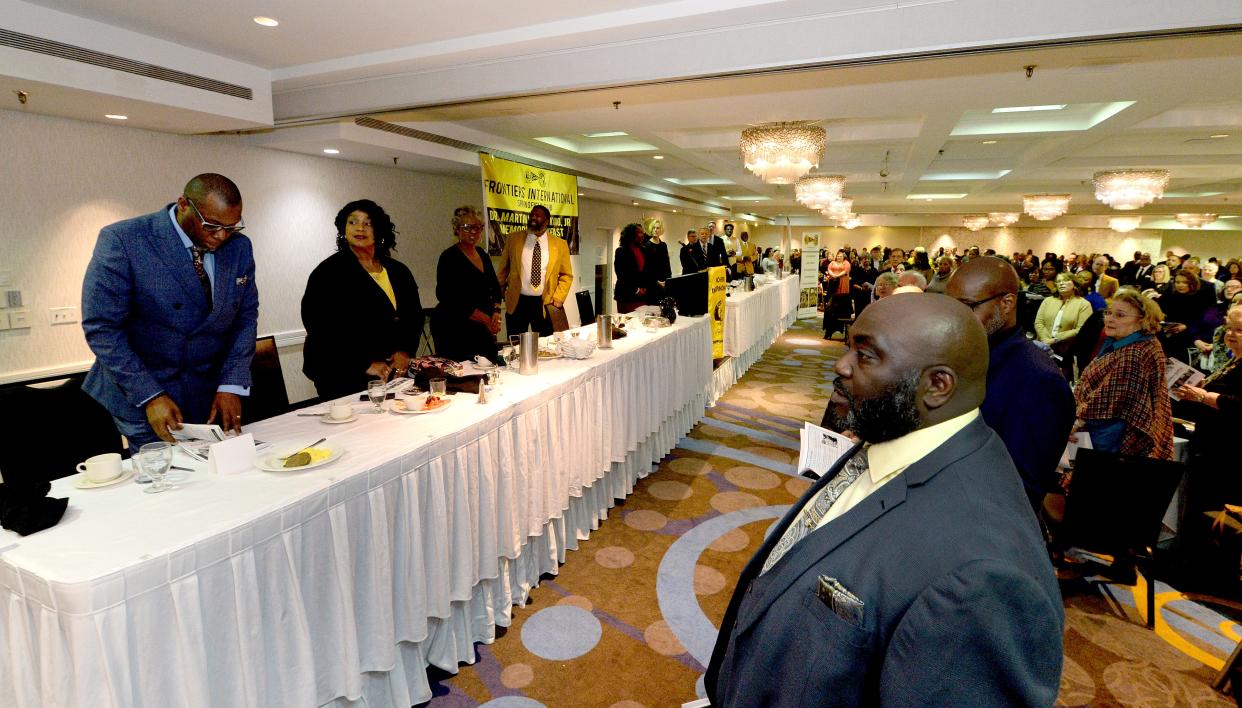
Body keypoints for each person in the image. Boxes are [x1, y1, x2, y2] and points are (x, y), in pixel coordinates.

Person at [707, 293, 1063, 707]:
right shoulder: (902, 427)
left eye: (867, 355)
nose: (841, 366)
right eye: (849, 347)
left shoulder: (984, 581)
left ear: (936, 385)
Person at [82, 173, 259, 446]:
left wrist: (231, 384)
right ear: (184, 205)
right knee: (165, 477)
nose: (222, 236)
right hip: (144, 391)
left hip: (207, 390)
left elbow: (245, 319)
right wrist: (150, 395)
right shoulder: (125, 240)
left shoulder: (239, 248)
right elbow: (103, 328)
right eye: (211, 226)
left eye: (231, 227)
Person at [947, 257, 1075, 507]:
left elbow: (1019, 486)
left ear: (1006, 303)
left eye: (967, 306)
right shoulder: (965, 355)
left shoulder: (1037, 379)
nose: (955, 318)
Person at [301, 199, 423, 400]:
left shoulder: (398, 271)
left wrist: (405, 351)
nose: (360, 228)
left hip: (392, 372)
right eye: (353, 222)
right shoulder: (328, 273)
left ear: (379, 229)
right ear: (343, 229)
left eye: (368, 223)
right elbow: (321, 328)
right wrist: (364, 363)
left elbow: (414, 317)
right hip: (342, 374)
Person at [1173, 305, 1242, 563]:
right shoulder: (1234, 359)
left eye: (1240, 330)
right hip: (1211, 445)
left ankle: (1213, 569)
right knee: (1203, 505)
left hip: (1230, 453)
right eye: (1229, 329)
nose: (1231, 335)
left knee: (1219, 511)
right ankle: (1199, 563)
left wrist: (1206, 396)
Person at [1071, 289, 1174, 459]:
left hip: (1110, 433)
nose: (1109, 319)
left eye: (1120, 315)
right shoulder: (1121, 342)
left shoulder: (1135, 352)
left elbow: (1110, 396)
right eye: (1108, 313)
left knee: (1089, 481)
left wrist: (1076, 421)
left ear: (1142, 321)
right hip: (1100, 428)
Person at [432, 206, 502, 363]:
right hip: (455, 328)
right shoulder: (449, 257)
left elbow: (495, 287)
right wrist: (486, 319)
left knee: (490, 367)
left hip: (483, 326)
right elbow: (448, 296)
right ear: (457, 229)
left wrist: (496, 313)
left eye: (478, 227)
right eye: (467, 227)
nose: (473, 232)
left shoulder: (483, 254)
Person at [497, 204, 573, 337]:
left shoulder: (560, 244)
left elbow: (567, 275)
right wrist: (501, 291)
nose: (533, 218)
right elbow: (503, 268)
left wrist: (559, 297)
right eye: (531, 215)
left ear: (546, 221)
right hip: (518, 301)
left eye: (537, 216)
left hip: (545, 303)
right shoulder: (514, 239)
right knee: (516, 343)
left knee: (545, 343)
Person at [1034, 272, 1092, 356]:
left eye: (1065, 280)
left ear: (1074, 283)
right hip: (1042, 346)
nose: (1061, 283)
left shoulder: (1084, 304)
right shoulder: (1048, 300)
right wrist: (1045, 339)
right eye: (1058, 281)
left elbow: (1081, 329)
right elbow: (1038, 322)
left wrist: (1055, 339)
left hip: (1066, 350)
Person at [1159, 271, 1210, 363]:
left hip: (1190, 338)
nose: (1180, 285)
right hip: (1169, 337)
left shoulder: (1201, 298)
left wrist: (1186, 326)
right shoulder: (1169, 296)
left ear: (1192, 284)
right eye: (1177, 282)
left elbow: (1202, 320)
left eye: (1185, 282)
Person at [613, 222, 661, 313]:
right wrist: (636, 290)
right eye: (640, 232)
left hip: (643, 296)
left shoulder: (644, 250)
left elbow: (647, 272)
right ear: (631, 234)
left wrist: (646, 288)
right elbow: (621, 274)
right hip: (627, 295)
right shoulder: (621, 251)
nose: (642, 235)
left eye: (643, 232)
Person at [821, 249, 852, 339]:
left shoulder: (846, 263)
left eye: (841, 256)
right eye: (838, 256)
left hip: (843, 287)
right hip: (833, 286)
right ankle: (828, 331)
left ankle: (843, 331)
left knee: (842, 309)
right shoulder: (832, 263)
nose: (839, 257)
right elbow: (829, 269)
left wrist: (836, 276)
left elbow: (846, 271)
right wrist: (833, 275)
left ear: (843, 257)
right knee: (830, 308)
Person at [641, 217, 672, 285]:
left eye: (657, 228)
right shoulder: (646, 246)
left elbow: (667, 264)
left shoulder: (663, 245)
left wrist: (668, 279)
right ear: (651, 230)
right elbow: (647, 268)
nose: (655, 230)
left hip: (664, 280)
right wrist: (657, 282)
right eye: (653, 228)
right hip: (652, 282)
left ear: (661, 230)